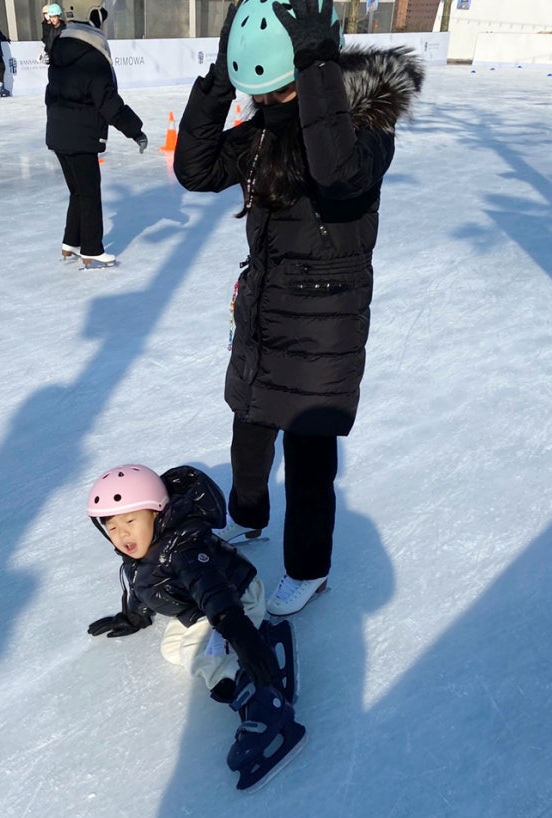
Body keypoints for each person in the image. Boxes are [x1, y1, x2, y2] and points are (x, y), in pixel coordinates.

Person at [174, 0, 424, 616]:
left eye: (278, 88)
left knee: (309, 453)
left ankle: (308, 569)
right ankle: (248, 517)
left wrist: (315, 68)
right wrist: (217, 80)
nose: (268, 100)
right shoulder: (263, 128)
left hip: (323, 319)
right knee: (250, 424)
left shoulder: (366, 123)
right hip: (263, 304)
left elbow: (338, 174)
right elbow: (194, 169)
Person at [86, 463, 305, 791]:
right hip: (198, 609)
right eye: (113, 526)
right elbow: (142, 585)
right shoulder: (143, 552)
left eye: (130, 521)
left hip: (236, 600)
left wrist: (241, 635)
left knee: (196, 649)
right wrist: (134, 616)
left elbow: (214, 593)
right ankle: (242, 658)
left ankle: (261, 697)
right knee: (171, 649)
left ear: (157, 514)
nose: (123, 534)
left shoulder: (185, 549)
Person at [45, 0, 148, 268]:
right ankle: (91, 248)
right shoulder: (93, 59)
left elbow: (50, 97)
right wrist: (135, 130)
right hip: (81, 137)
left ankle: (71, 241)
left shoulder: (59, 53)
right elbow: (108, 102)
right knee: (89, 193)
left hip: (58, 135)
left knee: (77, 191)